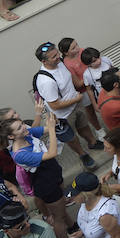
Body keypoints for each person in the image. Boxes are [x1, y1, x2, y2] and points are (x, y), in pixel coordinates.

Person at [0, 112, 71, 238]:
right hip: (46, 184)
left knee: (62, 205)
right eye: (19, 128)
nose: (24, 127)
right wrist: (52, 130)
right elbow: (52, 153)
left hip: (53, 174)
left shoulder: (27, 133)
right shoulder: (20, 154)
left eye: (22, 123)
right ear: (11, 137)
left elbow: (46, 129)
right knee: (58, 219)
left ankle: (72, 226)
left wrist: (51, 121)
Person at [32, 41, 98, 170]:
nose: (58, 57)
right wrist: (77, 98)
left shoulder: (59, 62)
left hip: (75, 105)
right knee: (71, 138)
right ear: (44, 61)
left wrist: (81, 85)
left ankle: (93, 142)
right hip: (62, 115)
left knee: (83, 125)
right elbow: (55, 105)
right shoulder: (45, 81)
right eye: (53, 57)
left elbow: (70, 77)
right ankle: (83, 154)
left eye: (57, 53)